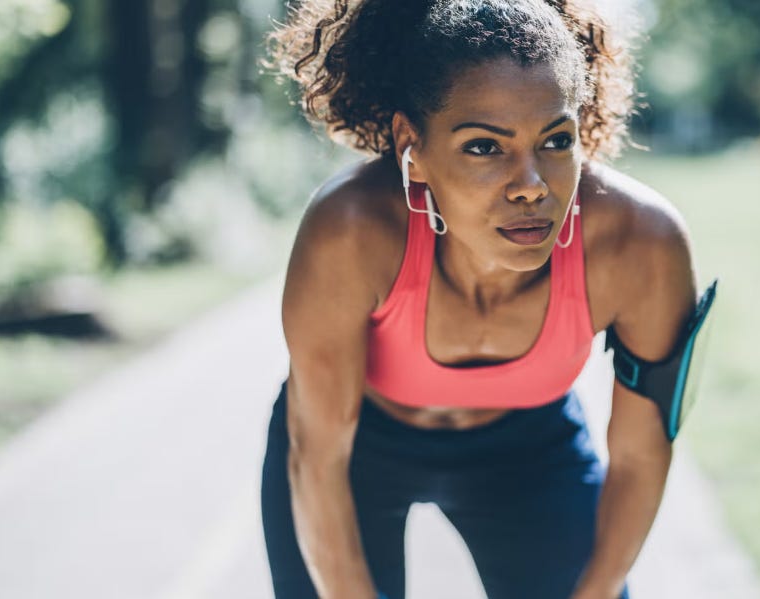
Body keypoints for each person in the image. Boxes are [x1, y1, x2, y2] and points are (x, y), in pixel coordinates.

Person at [260, 1, 699, 598]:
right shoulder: (351, 232)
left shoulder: (641, 244)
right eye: (483, 147)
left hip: (528, 453)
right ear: (411, 144)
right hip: (356, 448)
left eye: (555, 139)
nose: (531, 187)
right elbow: (318, 457)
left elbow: (643, 458)